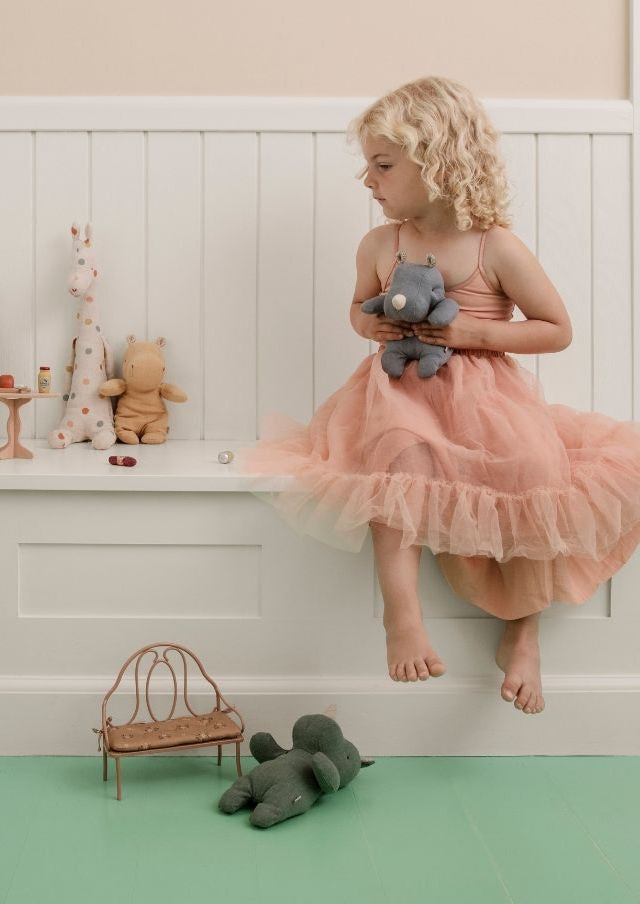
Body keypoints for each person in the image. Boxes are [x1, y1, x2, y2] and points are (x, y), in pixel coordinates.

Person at [246, 76, 640, 715]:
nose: (367, 180)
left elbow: (557, 329)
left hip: (488, 398)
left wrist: (471, 331)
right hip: (399, 390)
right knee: (397, 456)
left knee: (535, 468)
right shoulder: (381, 244)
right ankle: (401, 617)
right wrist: (366, 324)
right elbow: (357, 306)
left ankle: (523, 631)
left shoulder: (496, 246)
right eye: (367, 166)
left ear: (436, 161)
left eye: (382, 164)